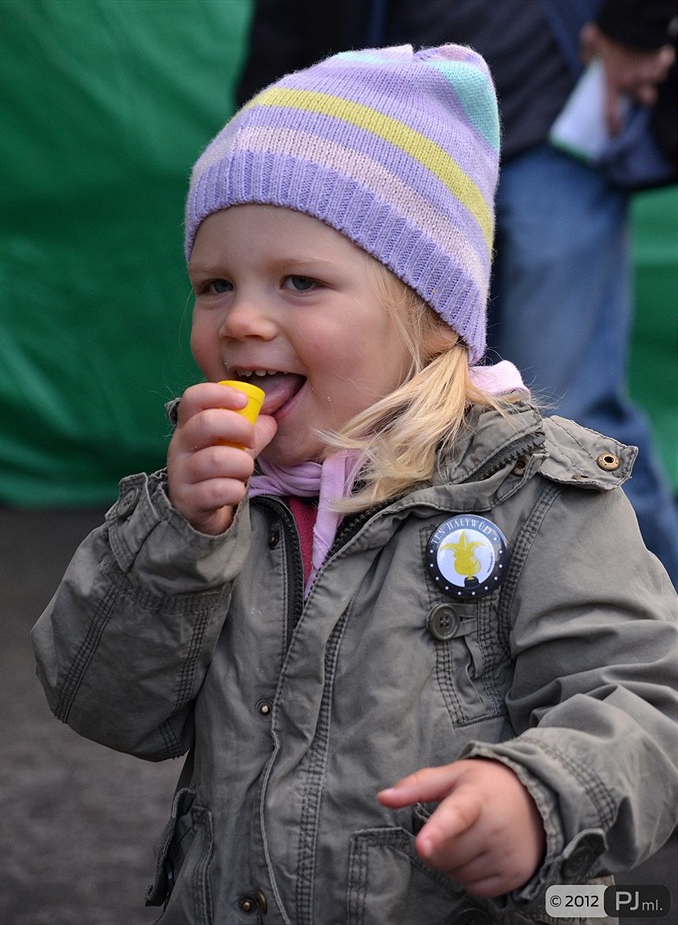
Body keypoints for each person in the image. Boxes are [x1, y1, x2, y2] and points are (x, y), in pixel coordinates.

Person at [31, 45, 677, 925]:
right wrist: (177, 538)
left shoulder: (531, 491)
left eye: (300, 281)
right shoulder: (213, 501)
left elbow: (647, 699)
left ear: (433, 311)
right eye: (214, 284)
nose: (243, 319)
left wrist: (540, 794)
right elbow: (102, 703)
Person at [236, 0, 678, 591]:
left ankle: (656, 616)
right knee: (401, 414)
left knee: (576, 411)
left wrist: (635, 27)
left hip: (555, 125)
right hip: (397, 160)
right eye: (214, 288)